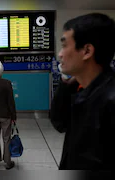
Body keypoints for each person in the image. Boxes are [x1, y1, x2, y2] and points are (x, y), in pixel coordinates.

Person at [50, 13, 115, 170]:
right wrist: (66, 84)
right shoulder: (80, 88)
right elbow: (59, 123)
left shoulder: (110, 100)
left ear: (87, 51)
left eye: (65, 45)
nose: (60, 54)